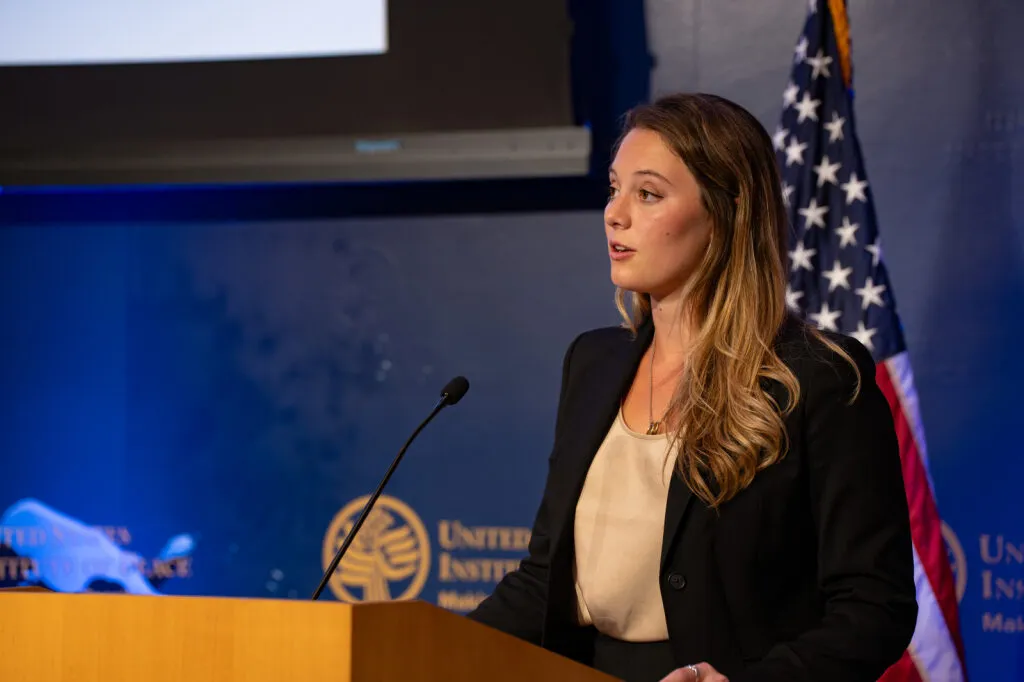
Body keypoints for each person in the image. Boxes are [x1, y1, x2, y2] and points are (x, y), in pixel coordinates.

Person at [466, 93, 918, 682]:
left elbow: (873, 606)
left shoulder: (820, 378)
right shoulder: (594, 363)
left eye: (648, 194)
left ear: (727, 213)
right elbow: (544, 578)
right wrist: (417, 646)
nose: (615, 214)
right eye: (613, 188)